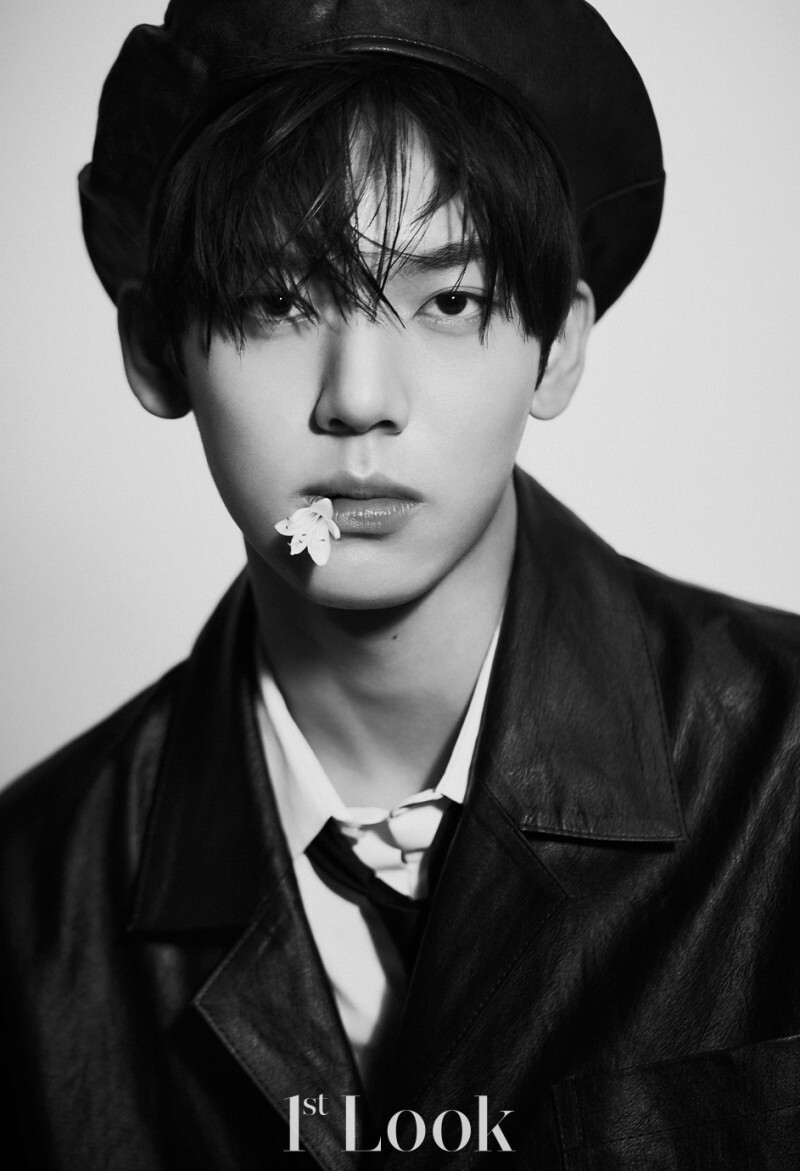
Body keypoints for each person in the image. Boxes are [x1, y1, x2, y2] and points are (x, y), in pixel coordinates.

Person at [2, 1, 800, 1167]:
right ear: (157, 350)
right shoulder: (31, 902)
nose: (360, 400)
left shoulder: (781, 767)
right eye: (276, 301)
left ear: (558, 344)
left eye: (448, 301)